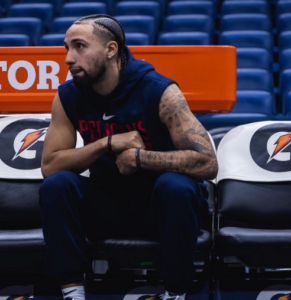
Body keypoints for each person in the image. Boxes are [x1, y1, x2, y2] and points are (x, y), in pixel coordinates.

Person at [39, 14, 218, 300]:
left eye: (80, 46)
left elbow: (207, 162)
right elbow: (49, 165)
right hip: (107, 205)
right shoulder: (68, 96)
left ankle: (175, 292)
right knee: (57, 185)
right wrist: (104, 144)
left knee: (176, 186)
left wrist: (140, 157)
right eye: (66, 48)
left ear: (111, 50)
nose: (69, 59)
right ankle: (72, 291)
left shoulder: (159, 90)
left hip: (159, 209)